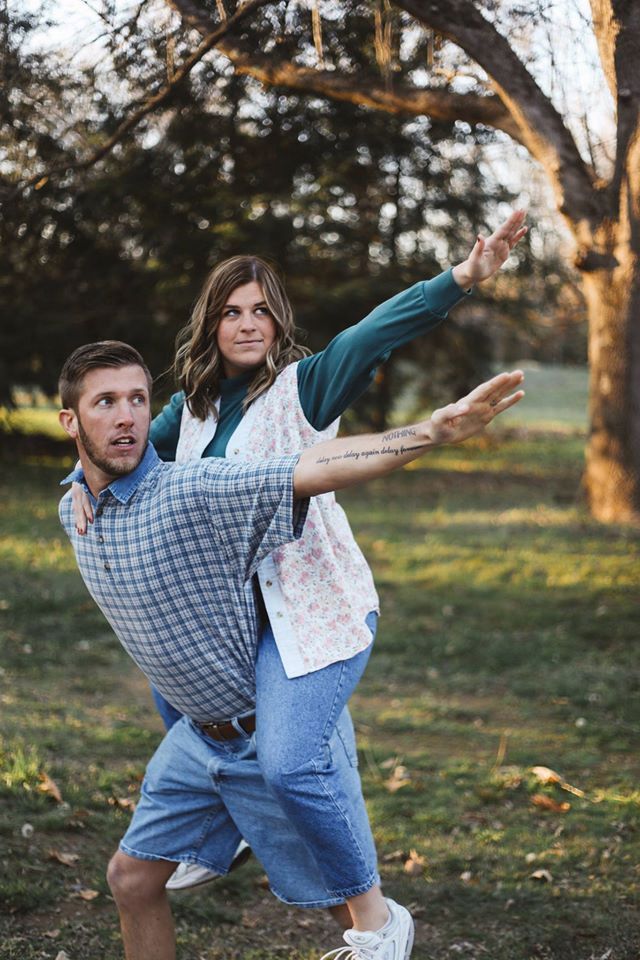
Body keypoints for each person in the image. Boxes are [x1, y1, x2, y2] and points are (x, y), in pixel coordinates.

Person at [72, 214, 527, 914]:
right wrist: (77, 487)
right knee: (184, 703)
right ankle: (217, 834)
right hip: (221, 616)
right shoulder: (189, 409)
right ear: (211, 325)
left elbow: (372, 333)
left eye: (261, 311)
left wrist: (462, 278)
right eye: (230, 312)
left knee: (289, 759)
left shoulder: (303, 388)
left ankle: (360, 903)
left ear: (279, 324)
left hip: (303, 606)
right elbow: (121, 452)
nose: (247, 324)